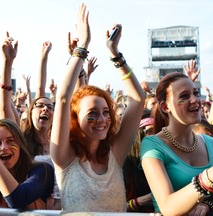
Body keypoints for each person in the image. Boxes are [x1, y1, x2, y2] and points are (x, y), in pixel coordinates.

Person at [50, 3, 145, 213]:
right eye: (92, 114)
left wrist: (115, 53)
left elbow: (138, 99)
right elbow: (64, 97)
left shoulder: (115, 152)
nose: (102, 120)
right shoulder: (64, 157)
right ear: (75, 118)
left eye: (105, 112)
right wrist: (82, 46)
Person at [140, 71, 213, 215]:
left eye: (195, 93)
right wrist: (209, 177)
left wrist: (207, 204)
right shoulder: (152, 145)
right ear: (165, 107)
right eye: (184, 96)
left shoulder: (210, 143)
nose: (195, 100)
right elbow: (168, 206)